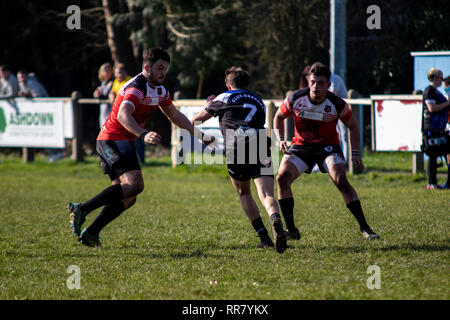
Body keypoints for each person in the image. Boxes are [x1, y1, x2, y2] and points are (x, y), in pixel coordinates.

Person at [67, 48, 215, 247]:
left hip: (121, 141)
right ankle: (82, 208)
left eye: (166, 68)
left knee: (129, 196)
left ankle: (91, 233)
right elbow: (122, 115)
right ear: (147, 67)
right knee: (135, 184)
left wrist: (199, 135)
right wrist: (143, 134)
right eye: (160, 68)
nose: (163, 72)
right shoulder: (136, 87)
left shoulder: (160, 90)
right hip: (112, 138)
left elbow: (175, 116)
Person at [273, 62, 379, 241]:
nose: (316, 86)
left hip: (328, 147)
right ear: (308, 81)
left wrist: (354, 154)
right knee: (282, 178)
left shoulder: (337, 103)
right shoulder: (295, 98)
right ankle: (291, 230)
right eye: (313, 82)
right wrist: (281, 139)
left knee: (341, 180)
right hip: (302, 146)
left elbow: (353, 126)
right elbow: (278, 117)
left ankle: (365, 228)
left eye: (320, 83)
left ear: (328, 85)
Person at [191, 66, 287, 253]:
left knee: (244, 192)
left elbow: (196, 120)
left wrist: (208, 117)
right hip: (260, 143)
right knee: (267, 194)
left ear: (228, 85)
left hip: (236, 146)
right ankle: (274, 217)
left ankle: (264, 237)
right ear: (248, 85)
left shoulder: (223, 97)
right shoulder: (258, 100)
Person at [421, 68, 450, 189]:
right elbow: (432, 108)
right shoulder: (429, 91)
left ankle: (447, 183)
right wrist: (448, 103)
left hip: (440, 129)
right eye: (440, 77)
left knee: (446, 153)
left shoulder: (436, 92)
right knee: (432, 156)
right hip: (431, 129)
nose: (442, 80)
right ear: (435, 77)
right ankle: (432, 183)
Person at [329, 72, 349, 167]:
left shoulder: (334, 79)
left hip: (343, 110)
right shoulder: (327, 80)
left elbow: (333, 93)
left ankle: (346, 161)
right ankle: (340, 160)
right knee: (339, 136)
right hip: (335, 111)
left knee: (345, 136)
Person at [94, 63, 114, 128]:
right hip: (104, 110)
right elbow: (98, 91)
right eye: (105, 71)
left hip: (111, 110)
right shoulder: (103, 83)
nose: (106, 73)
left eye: (108, 71)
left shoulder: (114, 82)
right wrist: (97, 93)